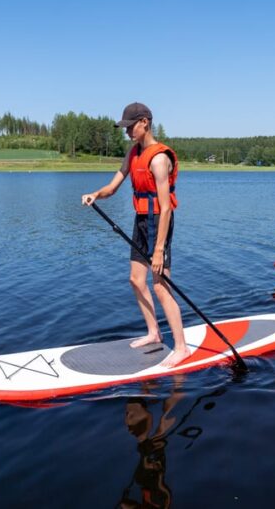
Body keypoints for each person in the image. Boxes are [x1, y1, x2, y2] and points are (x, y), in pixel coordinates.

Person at [82, 102, 190, 368]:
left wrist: (158, 249)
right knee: (135, 279)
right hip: (141, 220)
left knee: (160, 284)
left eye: (130, 126)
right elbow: (114, 185)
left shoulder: (159, 159)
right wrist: (96, 193)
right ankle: (154, 332)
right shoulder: (133, 154)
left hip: (158, 223)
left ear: (144, 122)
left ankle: (182, 347)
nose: (127, 131)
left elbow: (165, 209)